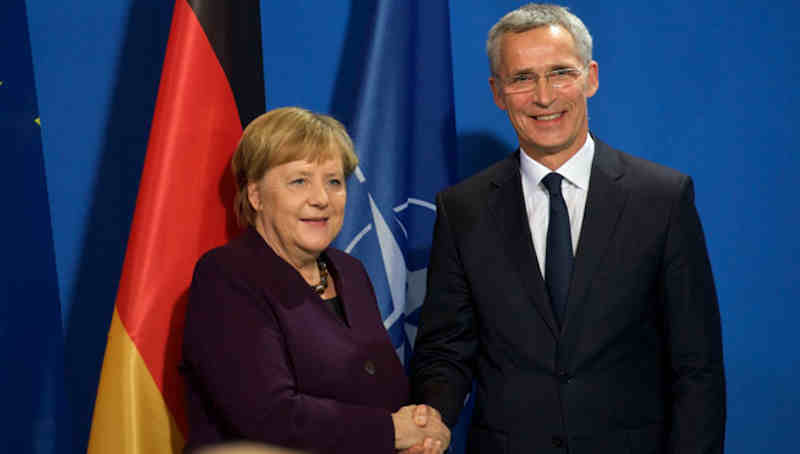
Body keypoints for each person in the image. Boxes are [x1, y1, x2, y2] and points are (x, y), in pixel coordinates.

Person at [411, 4, 726, 453]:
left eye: (560, 72)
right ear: (497, 92)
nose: (544, 96)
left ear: (590, 77)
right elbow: (446, 349)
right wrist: (431, 422)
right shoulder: (463, 210)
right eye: (522, 78)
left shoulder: (662, 198)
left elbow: (697, 366)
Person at [182, 107, 450, 454]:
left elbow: (384, 392)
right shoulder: (226, 277)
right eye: (300, 181)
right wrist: (391, 432)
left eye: (334, 181)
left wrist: (423, 432)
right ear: (256, 196)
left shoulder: (349, 271)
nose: (321, 199)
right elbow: (267, 416)